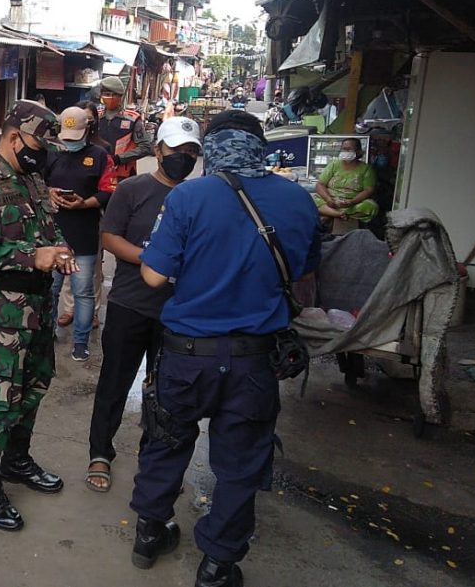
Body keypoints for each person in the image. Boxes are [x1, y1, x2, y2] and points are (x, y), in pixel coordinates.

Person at [129, 110, 321, 586]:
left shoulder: (187, 197)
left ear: (210, 149)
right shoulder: (299, 200)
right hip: (254, 362)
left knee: (166, 441)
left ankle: (149, 534)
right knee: (240, 464)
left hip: (186, 356)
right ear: (261, 146)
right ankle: (216, 565)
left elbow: (152, 275)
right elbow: (304, 276)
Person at [0, 100, 77, 532]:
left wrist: (58, 249)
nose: (43, 155)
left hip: (36, 307)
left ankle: (16, 460)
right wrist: (32, 256)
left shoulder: (31, 180)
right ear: (12, 137)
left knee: (34, 386)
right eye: (39, 146)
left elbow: (47, 227)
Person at [84, 116, 201, 494]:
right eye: (176, 149)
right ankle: (100, 452)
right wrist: (152, 261)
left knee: (167, 390)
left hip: (178, 312)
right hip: (130, 304)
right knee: (114, 383)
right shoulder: (133, 189)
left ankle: (155, 458)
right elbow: (109, 237)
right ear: (158, 151)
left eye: (191, 152)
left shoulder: (199, 196)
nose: (183, 157)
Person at [45, 106, 115, 362]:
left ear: (87, 130)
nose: (70, 142)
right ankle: (47, 333)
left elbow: (108, 190)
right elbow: (37, 182)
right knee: (49, 289)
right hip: (52, 234)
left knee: (82, 291)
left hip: (84, 234)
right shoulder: (51, 153)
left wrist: (84, 203)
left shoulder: (100, 155)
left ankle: (81, 342)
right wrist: (49, 192)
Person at [96, 75, 151, 186]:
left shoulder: (132, 118)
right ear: (101, 95)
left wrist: (119, 159)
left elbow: (145, 147)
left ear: (121, 96)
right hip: (98, 170)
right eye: (107, 94)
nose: (111, 98)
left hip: (124, 175)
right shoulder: (96, 117)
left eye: (114, 95)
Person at [313, 137, 378, 223]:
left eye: (349, 149)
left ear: (358, 151)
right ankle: (338, 214)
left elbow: (369, 190)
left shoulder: (366, 169)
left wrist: (352, 202)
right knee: (311, 200)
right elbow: (320, 184)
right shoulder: (334, 165)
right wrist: (328, 199)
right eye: (344, 149)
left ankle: (330, 214)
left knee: (371, 206)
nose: (345, 152)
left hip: (352, 204)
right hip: (330, 201)